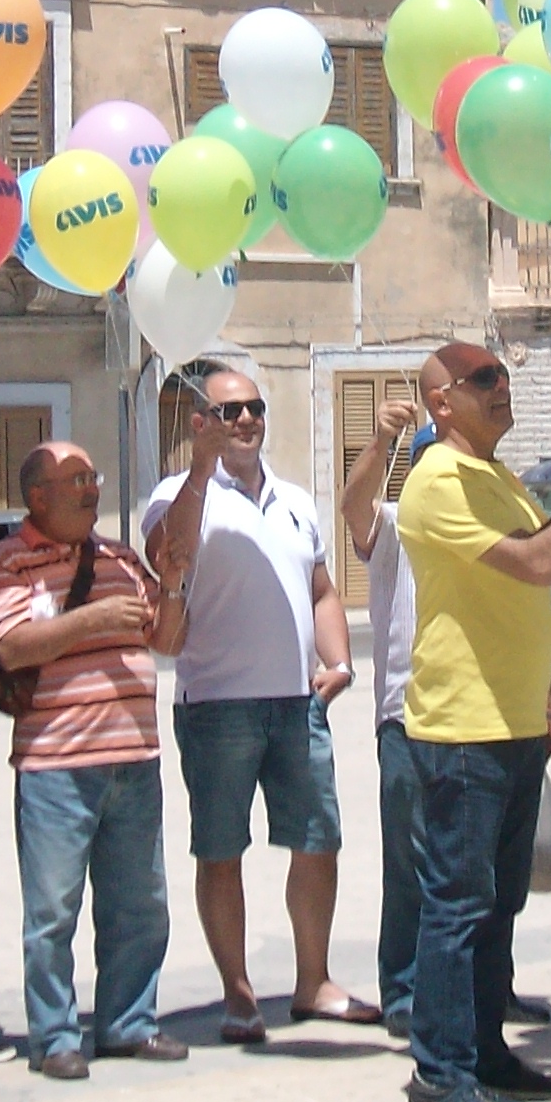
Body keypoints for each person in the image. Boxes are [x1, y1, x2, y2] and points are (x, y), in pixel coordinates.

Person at [396, 340, 551, 1102]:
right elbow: (538, 563)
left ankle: (485, 1050)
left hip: (510, 724)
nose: (503, 388)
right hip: (462, 728)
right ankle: (439, 1074)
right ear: (442, 405)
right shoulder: (437, 481)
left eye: (503, 376)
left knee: (495, 905)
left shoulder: (495, 478)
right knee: (457, 906)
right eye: (483, 380)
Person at [146, 366, 373, 1042]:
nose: (245, 420)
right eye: (229, 411)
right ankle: (238, 993)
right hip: (218, 705)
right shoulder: (175, 494)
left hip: (296, 705)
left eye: (254, 409)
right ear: (201, 421)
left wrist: (340, 662)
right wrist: (200, 468)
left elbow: (321, 587)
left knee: (317, 842)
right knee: (221, 850)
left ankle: (313, 982)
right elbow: (167, 554)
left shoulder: (296, 500)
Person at [0, 441, 191, 1080]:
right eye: (75, 479)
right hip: (56, 765)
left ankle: (129, 1024)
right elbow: (12, 646)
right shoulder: (7, 562)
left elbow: (169, 641)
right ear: (38, 495)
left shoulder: (123, 559)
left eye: (92, 476)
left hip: (135, 759)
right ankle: (55, 1036)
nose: (90, 488)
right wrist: (95, 617)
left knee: (139, 903)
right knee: (52, 911)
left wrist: (174, 584)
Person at [342, 393, 426, 1041]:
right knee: (409, 864)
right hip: (407, 714)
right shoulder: (395, 524)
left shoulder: (491, 524)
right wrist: (380, 440)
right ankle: (402, 989)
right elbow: (353, 507)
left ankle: (490, 983)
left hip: (483, 715)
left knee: (480, 867)